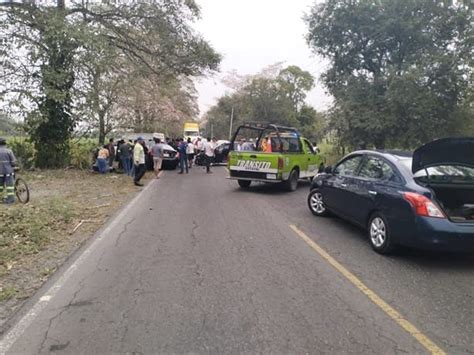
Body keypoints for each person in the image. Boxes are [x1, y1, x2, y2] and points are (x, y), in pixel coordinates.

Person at [0, 137, 17, 204]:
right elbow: (13, 162)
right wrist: (14, 165)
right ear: (5, 143)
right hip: (8, 172)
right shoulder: (9, 151)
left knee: (0, 186)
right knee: (10, 186)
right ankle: (10, 200)